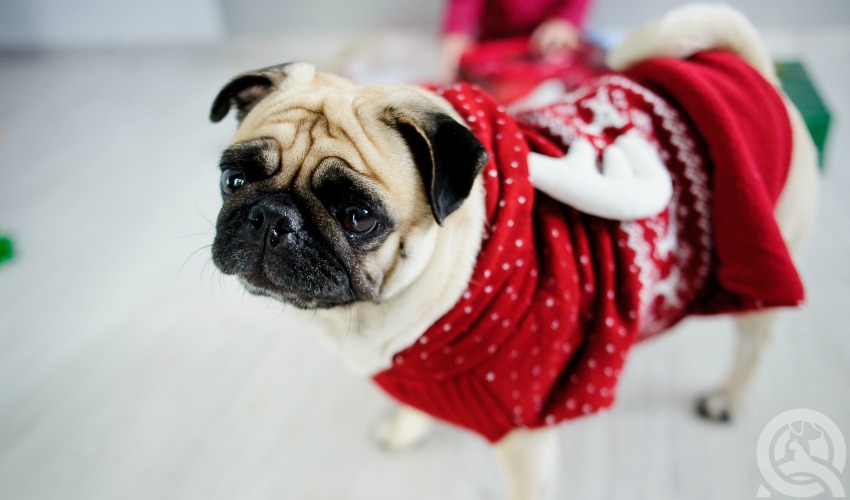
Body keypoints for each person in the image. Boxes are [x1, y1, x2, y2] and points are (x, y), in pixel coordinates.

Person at [441, 0, 592, 81]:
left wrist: (565, 21)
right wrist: (456, 31)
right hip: (492, 45)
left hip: (545, 48)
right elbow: (464, 4)